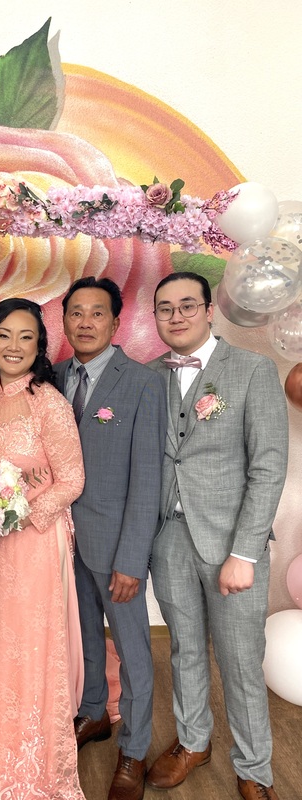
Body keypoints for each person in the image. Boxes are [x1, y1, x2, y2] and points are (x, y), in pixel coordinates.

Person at [145, 272, 288, 800]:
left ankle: (254, 769)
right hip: (168, 537)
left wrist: (244, 553)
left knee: (241, 660)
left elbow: (268, 467)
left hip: (232, 543)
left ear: (209, 311)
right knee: (184, 649)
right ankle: (193, 741)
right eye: (165, 308)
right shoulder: (147, 376)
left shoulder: (252, 370)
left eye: (187, 305)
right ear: (155, 318)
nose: (176, 316)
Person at [0, 297, 86, 800]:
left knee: (32, 648)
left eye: (26, 337)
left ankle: (35, 762)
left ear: (40, 347)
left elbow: (72, 479)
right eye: (4, 335)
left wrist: (19, 515)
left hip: (35, 542)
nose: (13, 346)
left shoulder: (48, 403)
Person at [56, 277, 167, 800]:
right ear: (64, 321)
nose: (85, 322)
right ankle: (94, 711)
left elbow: (148, 477)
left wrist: (132, 558)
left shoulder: (142, 383)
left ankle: (135, 748)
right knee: (83, 636)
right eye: (76, 313)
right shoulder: (53, 377)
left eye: (96, 313)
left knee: (133, 648)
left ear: (116, 322)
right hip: (61, 541)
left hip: (116, 544)